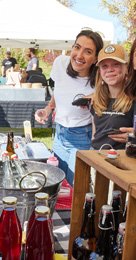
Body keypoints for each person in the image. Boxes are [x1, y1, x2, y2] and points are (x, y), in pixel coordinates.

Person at [35, 30, 103, 186]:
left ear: (95, 59)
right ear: (72, 47)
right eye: (77, 47)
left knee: (76, 190)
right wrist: (48, 108)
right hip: (59, 136)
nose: (79, 55)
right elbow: (58, 91)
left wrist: (97, 95)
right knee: (58, 186)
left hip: (81, 139)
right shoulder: (60, 63)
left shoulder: (100, 78)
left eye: (88, 52)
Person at [90, 44, 134, 150]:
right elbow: (94, 135)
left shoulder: (135, 101)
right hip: (95, 156)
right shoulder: (96, 101)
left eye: (115, 64)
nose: (109, 69)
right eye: (104, 66)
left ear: (126, 68)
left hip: (118, 160)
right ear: (100, 71)